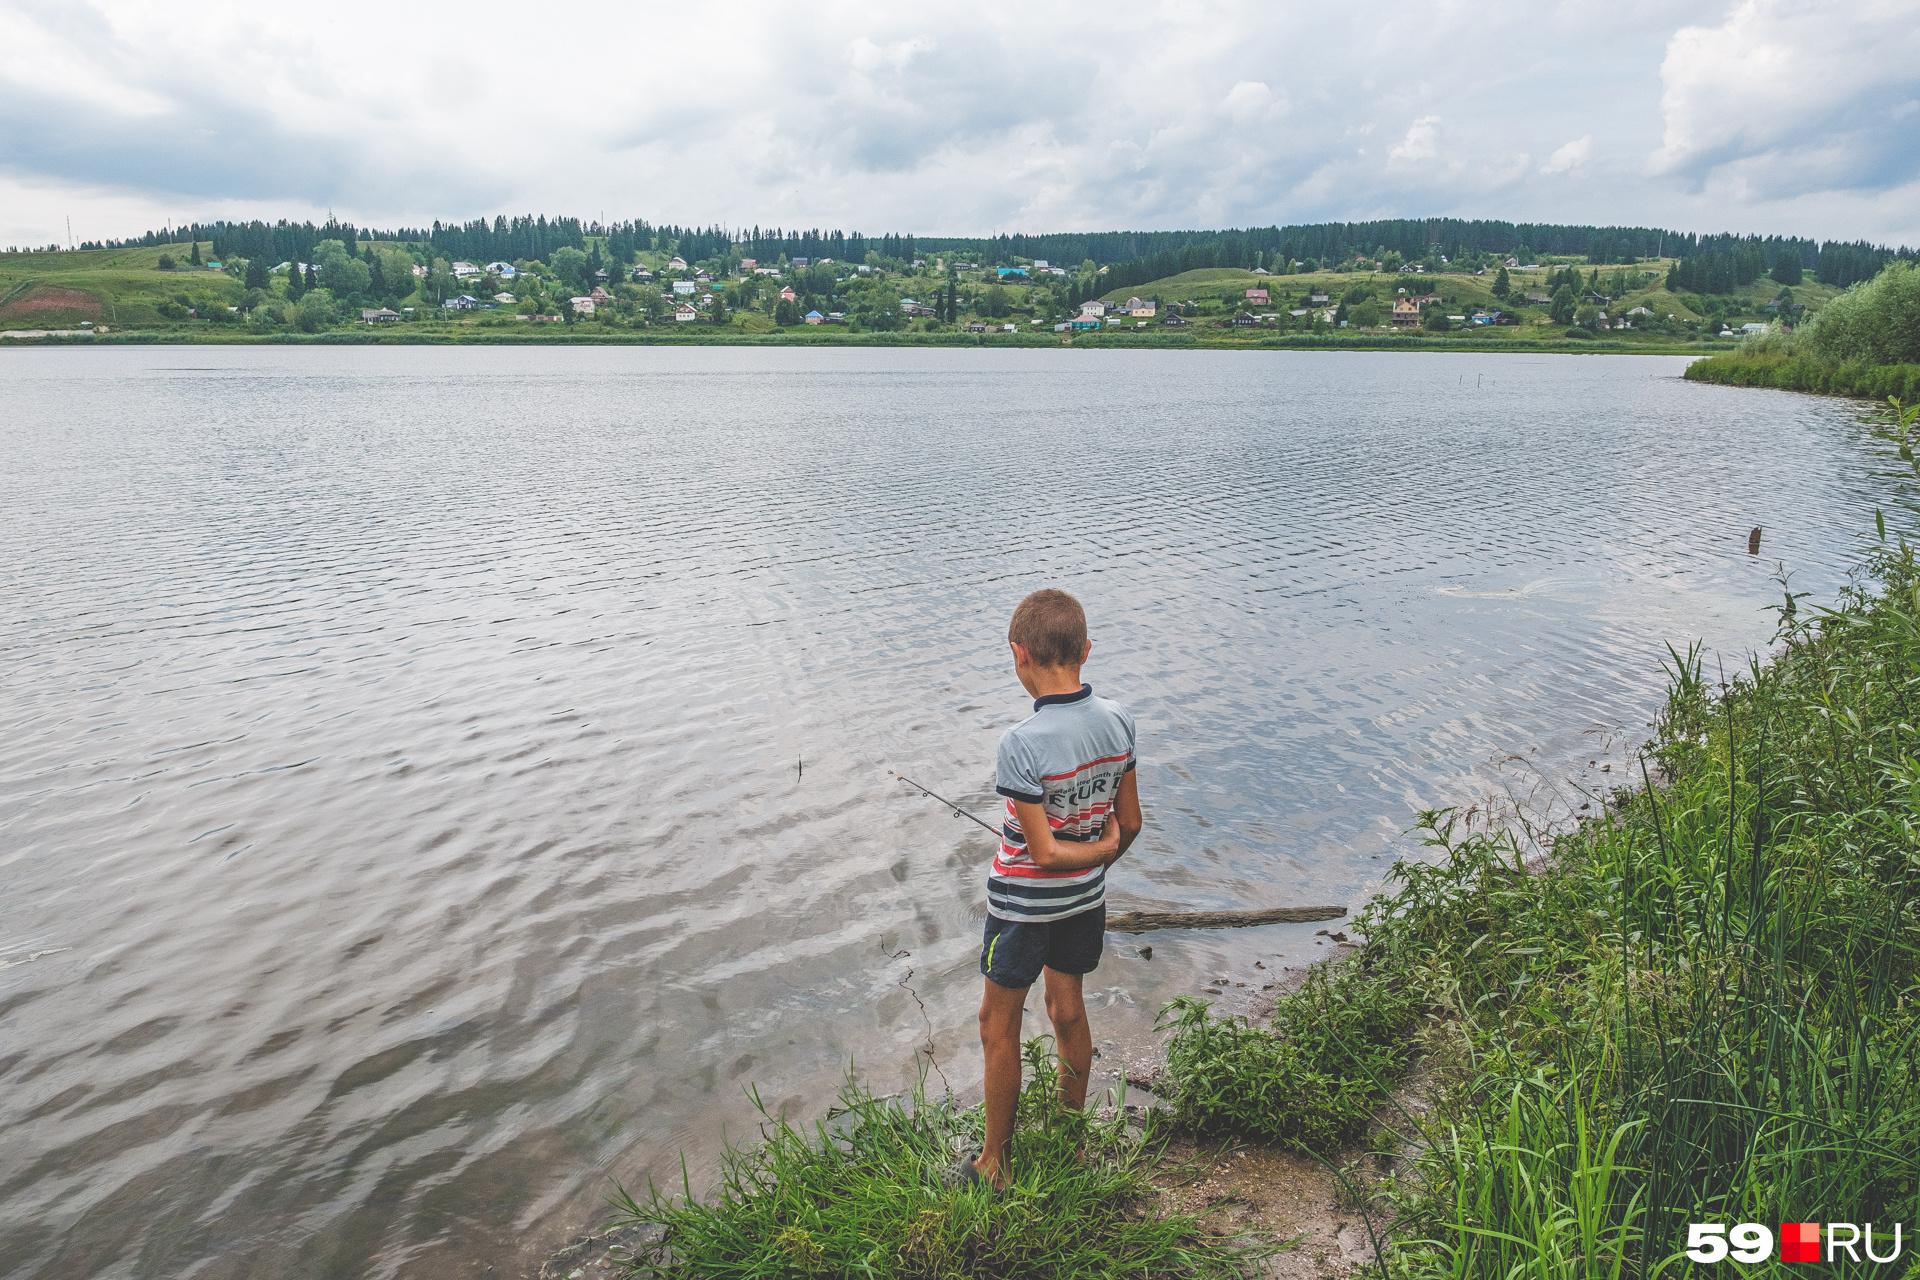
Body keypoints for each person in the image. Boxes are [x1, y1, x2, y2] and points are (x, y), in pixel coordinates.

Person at [948, 588, 1142, 1191]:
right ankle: (1071, 1143)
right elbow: (1130, 822)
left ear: (1018, 654)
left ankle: (995, 1164)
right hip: (1085, 902)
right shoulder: (1118, 721)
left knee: (996, 1026)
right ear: (1085, 650)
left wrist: (1092, 853)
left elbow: (1045, 852)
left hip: (1020, 907)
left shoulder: (1020, 744)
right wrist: (1102, 862)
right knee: (1068, 1010)